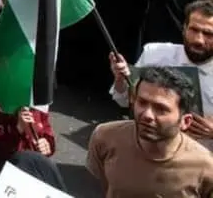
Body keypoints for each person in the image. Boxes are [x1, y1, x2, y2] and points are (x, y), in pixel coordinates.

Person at [88, 65, 213, 197]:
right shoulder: (105, 137)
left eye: (160, 109)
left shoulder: (206, 167)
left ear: (185, 121)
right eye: (142, 102)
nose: (147, 114)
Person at [109, 0, 213, 147]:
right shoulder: (155, 54)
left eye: (208, 34)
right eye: (194, 30)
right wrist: (120, 79)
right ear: (184, 28)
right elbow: (123, 99)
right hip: (148, 149)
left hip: (201, 160)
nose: (199, 40)